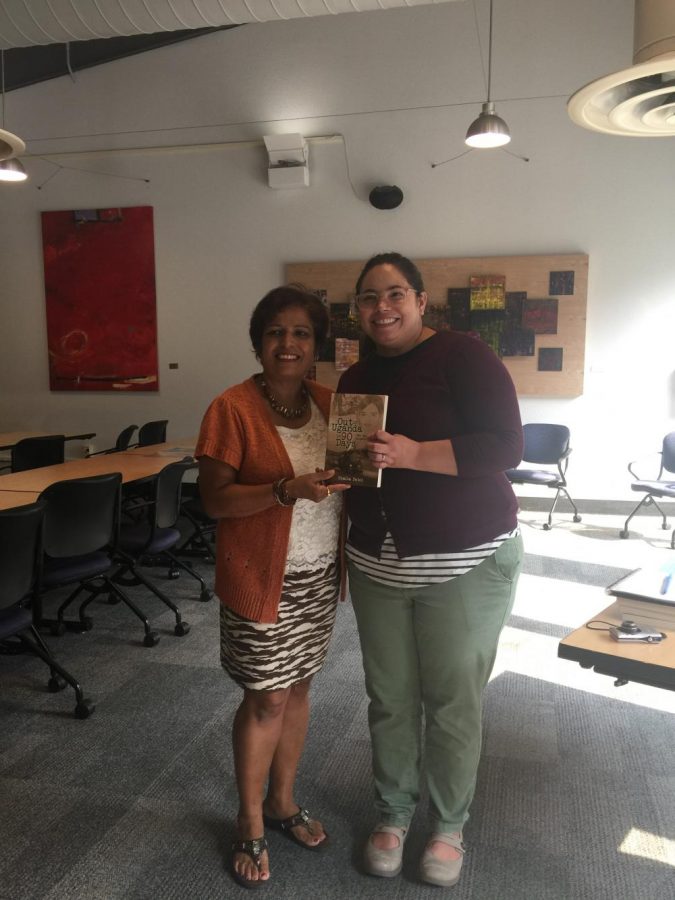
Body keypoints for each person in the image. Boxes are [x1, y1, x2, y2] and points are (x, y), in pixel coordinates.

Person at [338, 252, 524, 888]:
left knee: (451, 704)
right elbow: (356, 471)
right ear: (357, 308)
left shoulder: (463, 355)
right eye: (368, 297)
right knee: (389, 699)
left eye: (395, 294)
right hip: (377, 561)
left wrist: (415, 454)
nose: (381, 307)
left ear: (420, 301)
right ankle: (392, 814)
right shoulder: (354, 375)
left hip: (463, 559)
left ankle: (448, 827)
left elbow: (506, 444)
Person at [196, 285, 350, 889]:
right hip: (262, 576)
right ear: (259, 341)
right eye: (276, 333)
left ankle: (284, 802)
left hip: (317, 576)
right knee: (266, 698)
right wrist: (286, 490)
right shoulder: (231, 408)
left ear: (316, 346)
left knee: (300, 687)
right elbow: (213, 500)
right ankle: (250, 818)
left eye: (301, 334)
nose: (288, 344)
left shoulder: (331, 401)